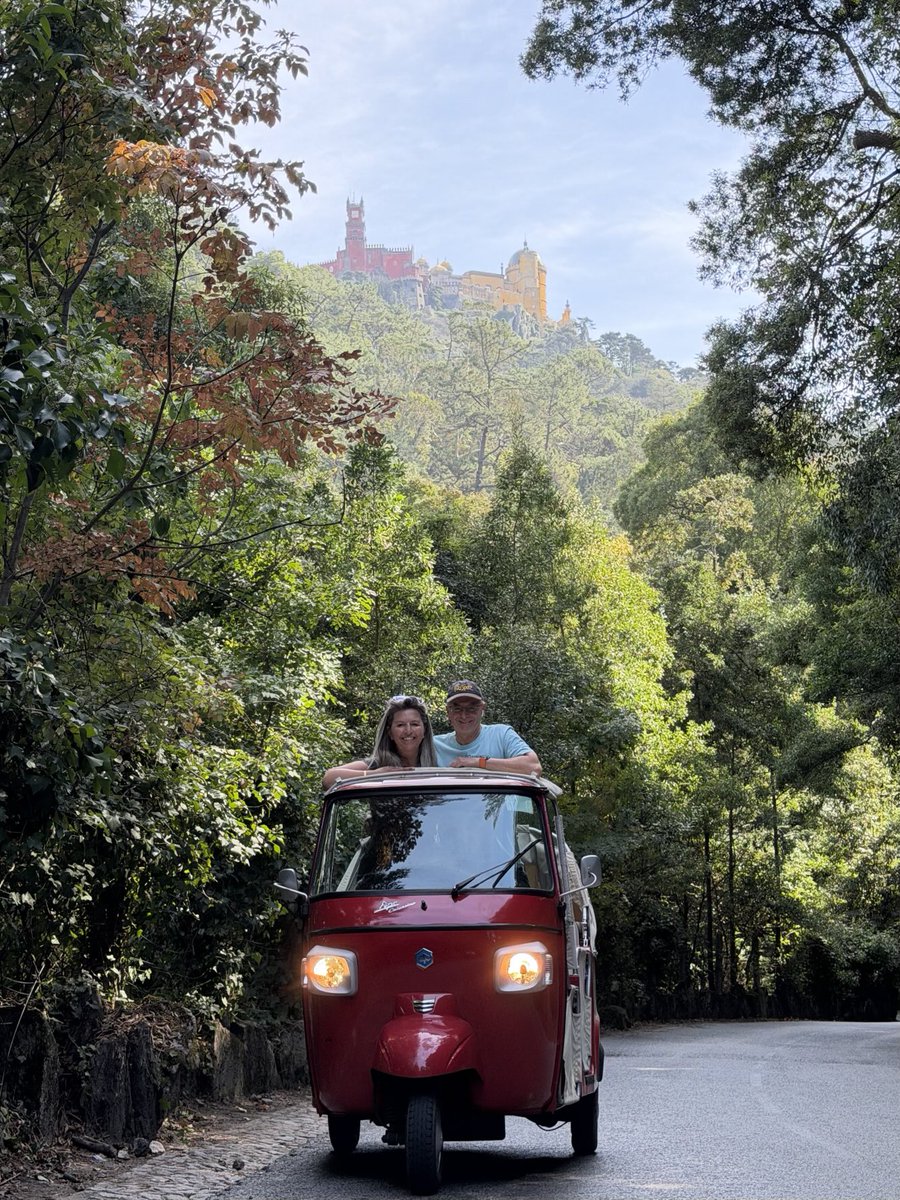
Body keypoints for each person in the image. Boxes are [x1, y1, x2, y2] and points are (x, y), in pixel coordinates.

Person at [322, 694, 437, 790]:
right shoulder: (378, 763)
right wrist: (376, 775)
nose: (408, 731)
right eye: (400, 725)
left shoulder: (437, 761)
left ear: (425, 730)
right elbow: (329, 779)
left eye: (414, 724)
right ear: (390, 732)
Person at [433, 680, 541, 775]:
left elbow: (533, 767)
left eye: (472, 708)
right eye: (457, 709)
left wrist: (478, 762)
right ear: (448, 711)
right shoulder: (434, 745)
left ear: (482, 709)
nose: (464, 715)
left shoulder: (501, 734)